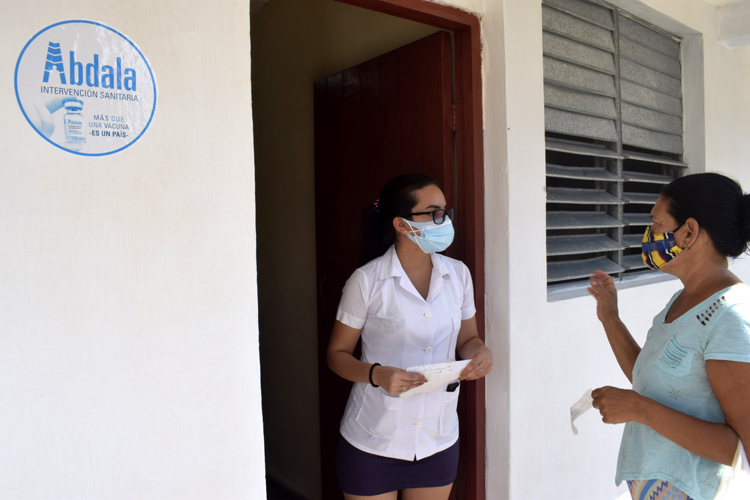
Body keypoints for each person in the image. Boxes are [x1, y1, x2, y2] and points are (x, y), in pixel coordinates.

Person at [327, 173, 492, 500]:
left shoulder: (458, 274)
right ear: (401, 225)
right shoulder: (366, 281)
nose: (444, 221)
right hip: (373, 440)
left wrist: (481, 353)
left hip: (437, 438)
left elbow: (468, 340)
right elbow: (337, 355)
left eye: (445, 212)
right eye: (434, 213)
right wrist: (376, 374)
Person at [588, 173, 750, 500]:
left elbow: (742, 450)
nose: (649, 234)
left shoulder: (731, 317)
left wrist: (638, 408)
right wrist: (610, 319)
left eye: (657, 223)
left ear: (688, 231)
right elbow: (650, 379)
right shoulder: (681, 300)